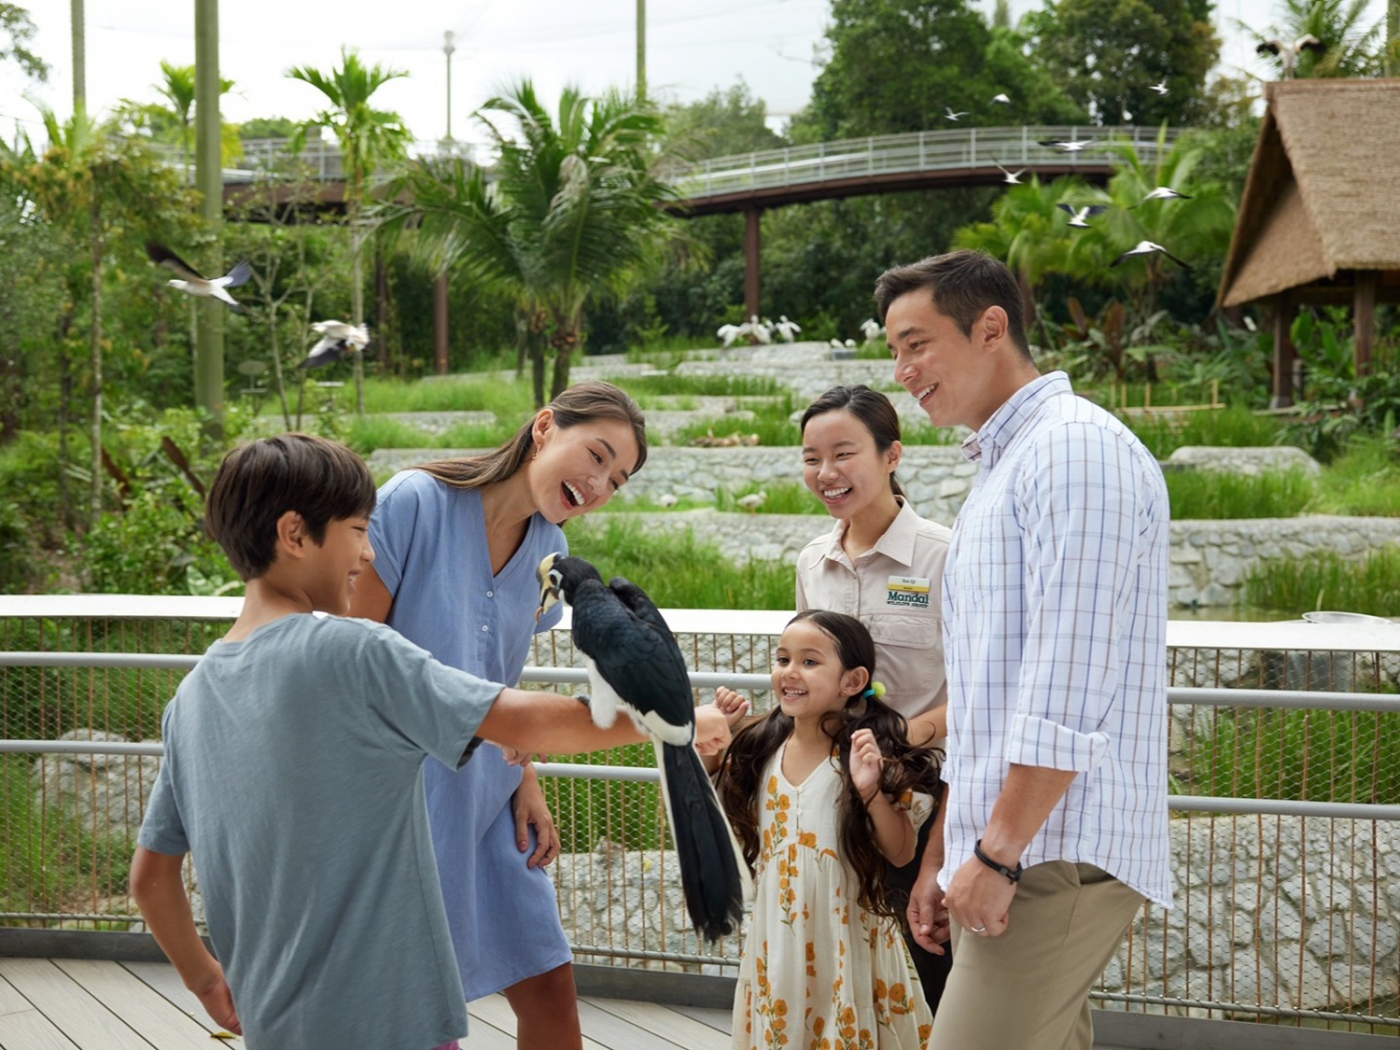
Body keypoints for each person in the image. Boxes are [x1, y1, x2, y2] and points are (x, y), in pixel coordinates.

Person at [129, 433, 733, 1050]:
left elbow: (150, 878)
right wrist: (676, 723)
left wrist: (207, 981)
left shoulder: (190, 699)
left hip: (276, 1023)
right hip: (389, 1015)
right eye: (358, 531)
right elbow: (519, 722)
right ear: (294, 535)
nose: (369, 553)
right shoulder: (354, 651)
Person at [880, 250, 1171, 1050]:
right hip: (1016, 844)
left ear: (990, 327)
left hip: (1048, 852)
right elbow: (987, 699)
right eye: (895, 351)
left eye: (916, 344)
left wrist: (998, 855)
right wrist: (948, 855)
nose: (902, 371)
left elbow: (1067, 679)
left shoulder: (1075, 451)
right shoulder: (1011, 463)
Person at [346, 380, 646, 1049]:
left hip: (489, 793)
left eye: (616, 480)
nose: (599, 484)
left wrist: (524, 775)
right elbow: (351, 657)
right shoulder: (414, 502)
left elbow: (498, 673)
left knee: (549, 988)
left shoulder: (551, 554)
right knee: (418, 1010)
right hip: (401, 801)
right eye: (596, 456)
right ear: (544, 427)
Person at [710, 609, 942, 1050]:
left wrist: (870, 790)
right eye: (783, 659)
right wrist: (713, 746)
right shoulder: (762, 750)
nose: (789, 672)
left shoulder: (869, 756)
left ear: (853, 681)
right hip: (779, 942)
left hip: (848, 941)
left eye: (809, 661)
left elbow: (901, 852)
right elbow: (721, 825)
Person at [794, 383, 955, 1012]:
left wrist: (899, 741)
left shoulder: (945, 558)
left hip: (922, 798)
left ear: (892, 454)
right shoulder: (813, 562)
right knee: (844, 974)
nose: (826, 473)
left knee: (924, 974)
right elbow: (806, 682)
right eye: (812, 458)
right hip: (835, 799)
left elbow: (983, 695)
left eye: (843, 453)